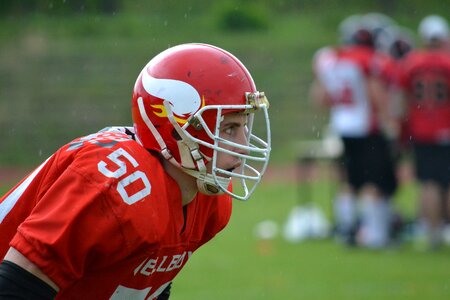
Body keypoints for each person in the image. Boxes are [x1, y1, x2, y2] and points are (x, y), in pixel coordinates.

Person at [0, 43, 271, 299]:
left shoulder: (210, 199)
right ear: (176, 128)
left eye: (244, 127)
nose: (243, 148)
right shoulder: (113, 185)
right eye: (229, 129)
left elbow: (147, 283)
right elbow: (17, 285)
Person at [309, 14, 398, 249]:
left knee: (349, 180)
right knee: (372, 181)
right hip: (367, 127)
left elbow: (320, 98)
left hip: (342, 126)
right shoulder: (368, 60)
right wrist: (389, 120)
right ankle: (375, 235)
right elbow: (375, 93)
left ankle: (346, 229)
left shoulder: (332, 59)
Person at [397, 15, 450, 250]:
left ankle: (434, 234)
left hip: (421, 131)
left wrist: (403, 127)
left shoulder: (410, 63)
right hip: (447, 129)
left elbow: (400, 100)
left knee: (428, 182)